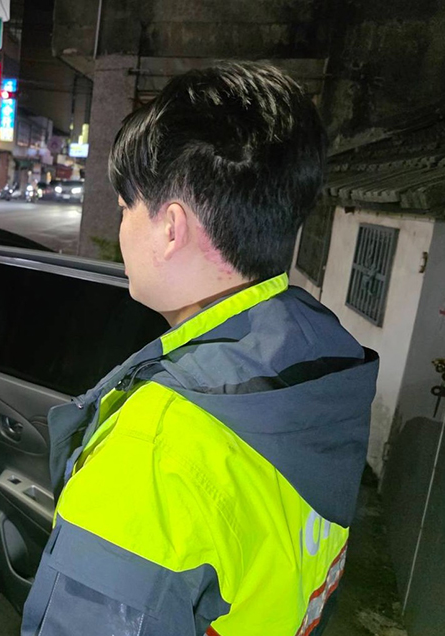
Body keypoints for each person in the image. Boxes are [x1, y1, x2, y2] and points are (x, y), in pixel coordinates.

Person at [22, 63, 379, 635]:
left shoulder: (153, 456)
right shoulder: (319, 356)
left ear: (171, 227)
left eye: (125, 208)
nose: (122, 227)